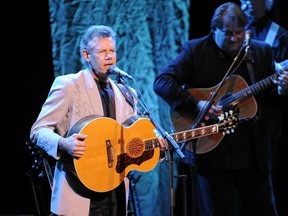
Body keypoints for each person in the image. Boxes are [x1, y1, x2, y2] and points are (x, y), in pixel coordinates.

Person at [153, 2, 288, 216]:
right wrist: (197, 104)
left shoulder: (260, 51)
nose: (234, 38)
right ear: (214, 29)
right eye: (228, 33)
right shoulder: (196, 50)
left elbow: (270, 99)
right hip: (211, 154)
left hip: (252, 155)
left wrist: (281, 89)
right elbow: (162, 82)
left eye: (239, 33)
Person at [30, 25, 167, 216]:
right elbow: (38, 130)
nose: (109, 56)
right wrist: (63, 143)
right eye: (102, 51)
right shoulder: (68, 85)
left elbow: (133, 137)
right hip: (80, 187)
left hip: (116, 192)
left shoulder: (127, 92)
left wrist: (157, 146)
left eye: (112, 51)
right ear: (87, 55)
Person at [239, 1, 288, 214]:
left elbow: (281, 81)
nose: (247, 3)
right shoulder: (235, 29)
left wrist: (283, 85)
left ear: (268, 4)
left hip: (266, 118)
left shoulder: (278, 34)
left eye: (254, 0)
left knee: (262, 182)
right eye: (244, 0)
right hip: (237, 118)